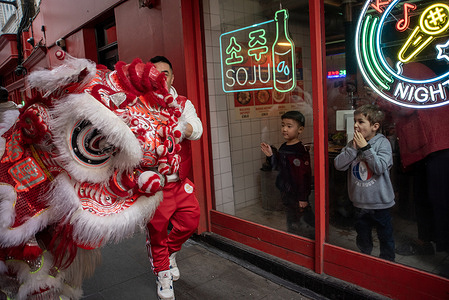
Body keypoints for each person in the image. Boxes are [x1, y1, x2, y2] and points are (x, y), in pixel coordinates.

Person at [145, 56, 203, 300]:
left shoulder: (183, 103)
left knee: (191, 220)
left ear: (172, 77)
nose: (161, 78)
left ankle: (169, 253)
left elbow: (197, 130)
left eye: (165, 73)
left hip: (180, 182)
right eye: (155, 74)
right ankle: (163, 275)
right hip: (155, 188)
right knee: (156, 233)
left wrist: (180, 124)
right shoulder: (140, 105)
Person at [334, 104, 395, 261]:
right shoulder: (351, 144)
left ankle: (387, 264)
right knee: (363, 237)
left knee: (385, 237)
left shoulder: (383, 144)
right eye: (355, 121)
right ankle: (365, 261)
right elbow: (339, 165)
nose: (355, 125)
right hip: (360, 204)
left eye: (361, 122)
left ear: (375, 126)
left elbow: (380, 167)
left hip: (380, 204)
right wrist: (353, 149)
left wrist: (366, 148)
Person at [260, 110, 314, 234]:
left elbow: (302, 176)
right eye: (283, 125)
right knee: (291, 218)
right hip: (287, 192)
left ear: (300, 130)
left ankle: (307, 240)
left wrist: (303, 198)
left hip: (297, 194)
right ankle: (293, 237)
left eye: (289, 126)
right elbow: (279, 167)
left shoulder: (299, 151)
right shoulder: (284, 147)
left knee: (303, 219)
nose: (284, 129)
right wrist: (271, 155)